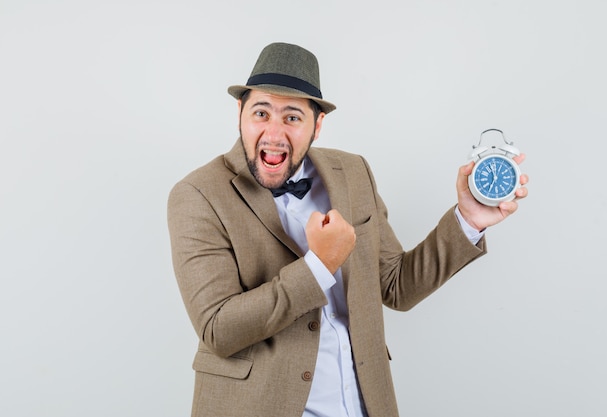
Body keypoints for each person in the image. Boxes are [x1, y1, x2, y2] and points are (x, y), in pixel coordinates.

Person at [167, 42, 528, 417]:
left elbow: (396, 286)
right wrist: (319, 266)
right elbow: (218, 329)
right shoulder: (198, 195)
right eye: (261, 113)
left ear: (317, 125)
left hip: (362, 405)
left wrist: (468, 219)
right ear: (240, 113)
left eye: (292, 117)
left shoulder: (353, 173)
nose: (273, 133)